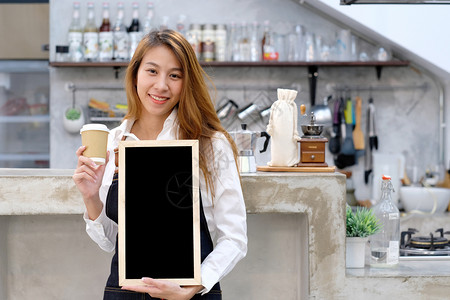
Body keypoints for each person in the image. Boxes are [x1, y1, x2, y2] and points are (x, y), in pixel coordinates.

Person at [73, 29, 247, 300]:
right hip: (125, 292)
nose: (161, 85)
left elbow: (234, 238)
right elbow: (110, 241)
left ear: (186, 82)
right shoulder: (115, 141)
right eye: (152, 71)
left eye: (174, 75)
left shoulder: (211, 144)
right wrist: (91, 196)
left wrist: (193, 287)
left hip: (191, 294)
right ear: (135, 75)